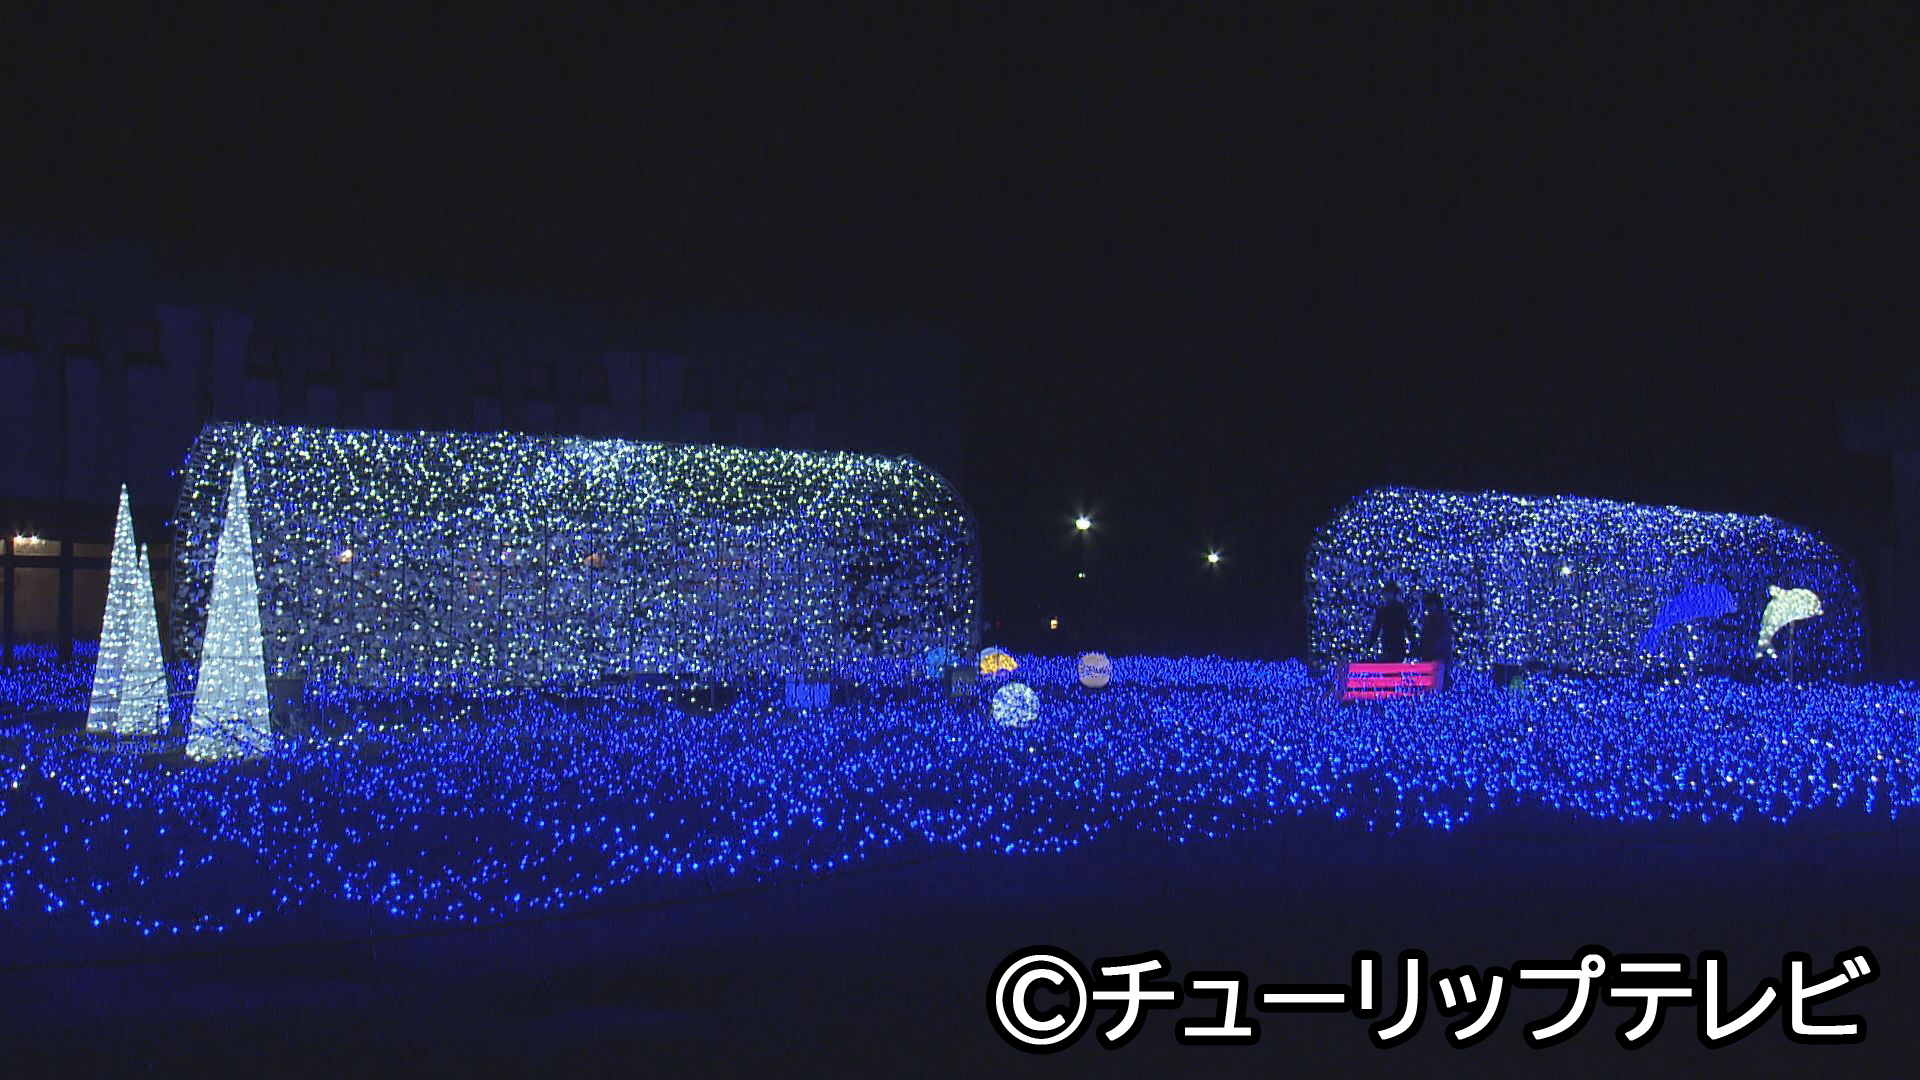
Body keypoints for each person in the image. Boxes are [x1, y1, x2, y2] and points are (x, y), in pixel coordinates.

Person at [1364, 582, 1410, 663]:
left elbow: (1407, 627)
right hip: (1389, 644)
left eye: (1388, 593)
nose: (1386, 596)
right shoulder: (1384, 610)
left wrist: (1370, 644)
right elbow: (1376, 629)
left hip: (1397, 644)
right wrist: (1370, 643)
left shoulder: (1400, 609)